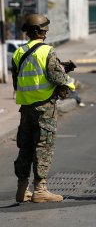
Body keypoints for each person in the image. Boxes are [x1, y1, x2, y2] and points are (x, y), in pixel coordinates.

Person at [11, 14, 75, 203]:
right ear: (40, 32)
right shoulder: (47, 51)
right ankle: (40, 190)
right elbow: (57, 78)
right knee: (43, 146)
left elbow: (16, 83)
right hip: (44, 108)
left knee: (25, 146)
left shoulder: (18, 52)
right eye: (45, 31)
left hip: (25, 108)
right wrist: (68, 81)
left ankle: (22, 189)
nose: (46, 35)